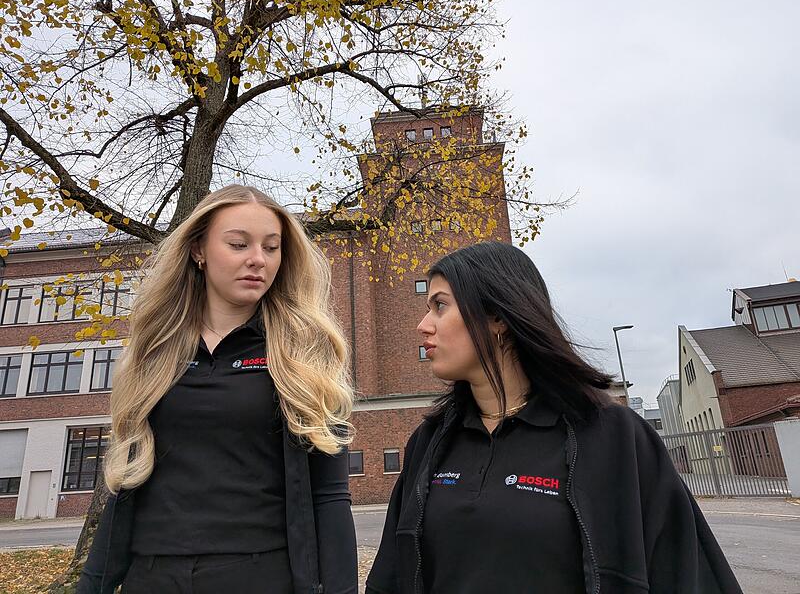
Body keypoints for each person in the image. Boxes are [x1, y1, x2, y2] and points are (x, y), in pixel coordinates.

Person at [366, 241, 742, 594]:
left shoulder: (615, 438)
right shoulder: (429, 443)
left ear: (497, 316)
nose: (423, 325)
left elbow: (685, 573)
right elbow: (391, 576)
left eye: (440, 305)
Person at [78, 185, 358, 594]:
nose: (258, 259)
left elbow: (330, 497)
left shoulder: (306, 354)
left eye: (272, 247)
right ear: (198, 250)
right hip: (152, 577)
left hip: (259, 576)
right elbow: (126, 482)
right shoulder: (154, 351)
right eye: (239, 244)